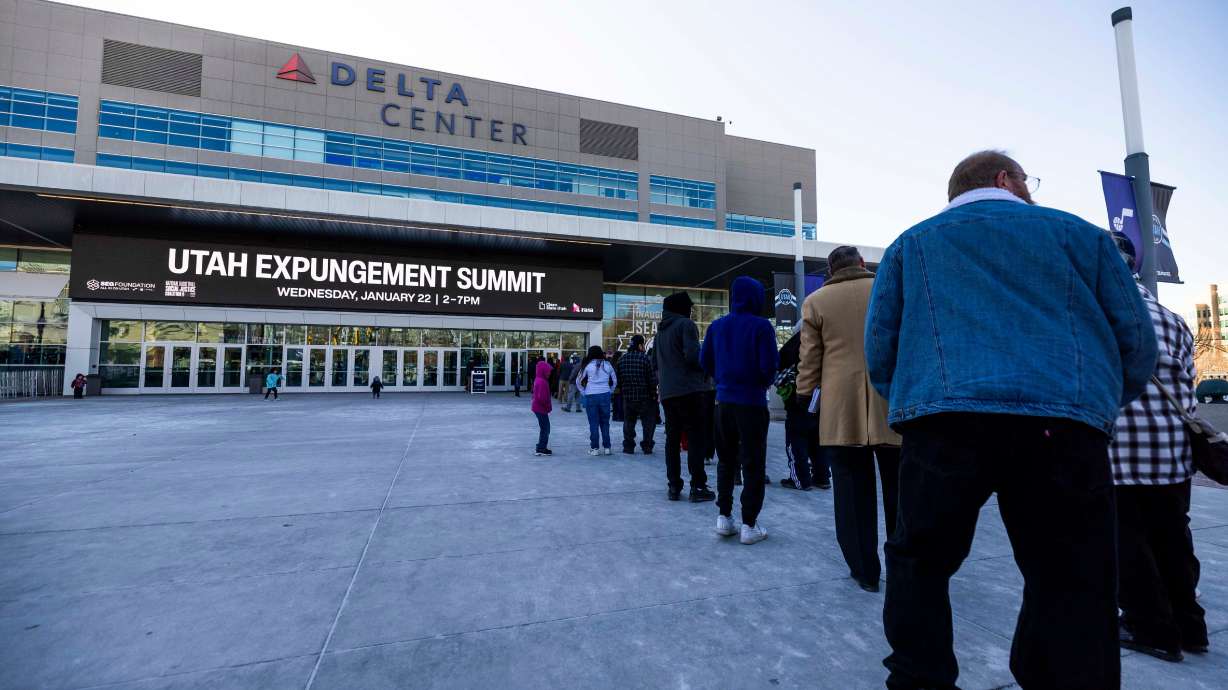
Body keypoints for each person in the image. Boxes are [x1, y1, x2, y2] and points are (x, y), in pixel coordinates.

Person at [867, 150, 1157, 689]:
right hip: (1061, 428)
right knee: (1071, 575)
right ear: (1005, 179)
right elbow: (1137, 342)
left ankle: (918, 678)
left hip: (944, 421)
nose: (1031, 189)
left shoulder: (911, 245)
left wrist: (918, 402)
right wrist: (1092, 403)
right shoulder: (1082, 236)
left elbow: (880, 349)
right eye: (1028, 180)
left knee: (920, 563)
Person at [1106, 231, 1208, 663]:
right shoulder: (1172, 319)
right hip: (1171, 452)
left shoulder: (1095, 315)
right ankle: (1190, 626)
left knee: (1126, 543)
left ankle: (1151, 628)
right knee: (1172, 538)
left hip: (1117, 452)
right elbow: (1187, 383)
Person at [798, 245, 900, 592]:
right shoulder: (887, 288)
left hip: (841, 410)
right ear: (861, 263)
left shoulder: (817, 302)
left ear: (830, 270)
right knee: (900, 492)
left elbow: (809, 362)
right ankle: (905, 566)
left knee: (852, 493)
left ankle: (864, 570)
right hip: (892, 403)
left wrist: (803, 399)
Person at [701, 276, 778, 545]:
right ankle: (749, 523)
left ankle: (724, 517)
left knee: (726, 460)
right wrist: (757, 383)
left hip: (723, 402)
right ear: (756, 296)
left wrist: (724, 380)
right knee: (753, 463)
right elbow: (770, 367)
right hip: (753, 403)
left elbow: (705, 361)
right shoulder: (762, 327)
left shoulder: (716, 326)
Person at [655, 292, 715, 502]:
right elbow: (692, 357)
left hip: (668, 393)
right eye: (689, 307)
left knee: (672, 440)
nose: (691, 310)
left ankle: (674, 485)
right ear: (682, 307)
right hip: (690, 391)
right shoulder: (686, 325)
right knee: (695, 438)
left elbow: (656, 364)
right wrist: (707, 367)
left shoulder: (660, 332)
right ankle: (698, 486)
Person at [775, 325, 830, 491]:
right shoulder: (828, 335)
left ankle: (800, 478)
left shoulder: (803, 336)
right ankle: (822, 477)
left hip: (801, 393)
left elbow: (781, 358)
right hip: (822, 393)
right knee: (817, 436)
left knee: (796, 435)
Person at [616, 334, 658, 454]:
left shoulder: (622, 359)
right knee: (648, 423)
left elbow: (618, 380)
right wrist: (653, 393)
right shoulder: (645, 359)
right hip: (645, 397)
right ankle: (647, 446)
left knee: (628, 422)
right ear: (640, 345)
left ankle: (628, 446)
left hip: (628, 397)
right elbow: (652, 379)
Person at [577, 345, 617, 455]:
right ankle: (607, 448)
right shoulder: (608, 364)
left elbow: (578, 381)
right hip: (605, 394)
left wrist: (583, 392)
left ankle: (594, 449)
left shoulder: (587, 365)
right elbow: (614, 380)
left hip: (591, 395)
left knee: (593, 423)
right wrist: (611, 390)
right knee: (605, 422)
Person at [531, 359, 554, 456]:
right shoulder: (542, 382)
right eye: (548, 371)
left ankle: (541, 446)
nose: (549, 374)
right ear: (543, 371)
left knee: (544, 428)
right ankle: (541, 448)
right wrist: (548, 407)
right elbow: (543, 398)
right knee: (546, 428)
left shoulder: (539, 379)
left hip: (538, 408)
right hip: (540, 408)